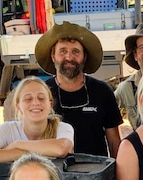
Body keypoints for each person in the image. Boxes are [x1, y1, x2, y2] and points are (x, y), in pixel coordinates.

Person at [34, 22, 122, 157]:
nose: (69, 57)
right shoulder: (41, 94)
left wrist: (118, 173)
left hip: (95, 172)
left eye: (75, 52)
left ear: (84, 57)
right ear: (53, 56)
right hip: (54, 173)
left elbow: (114, 140)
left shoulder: (102, 91)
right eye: (63, 51)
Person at [0, 76, 74, 165]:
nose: (35, 103)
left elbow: (61, 149)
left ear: (50, 104)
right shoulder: (8, 129)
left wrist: (17, 145)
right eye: (28, 99)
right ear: (18, 107)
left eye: (41, 98)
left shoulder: (62, 127)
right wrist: (24, 153)